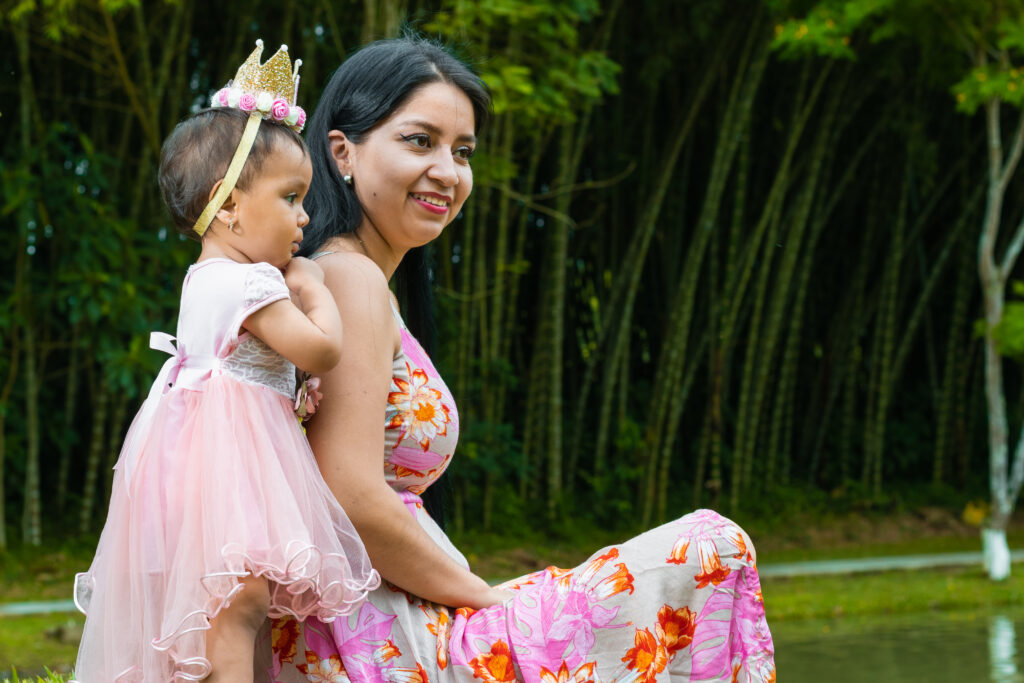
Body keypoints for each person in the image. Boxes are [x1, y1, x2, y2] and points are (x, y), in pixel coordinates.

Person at [262, 37, 775, 682]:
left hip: (382, 621)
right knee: (712, 548)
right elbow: (353, 497)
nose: (448, 172)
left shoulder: (343, 279)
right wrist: (486, 598)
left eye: (463, 151)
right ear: (343, 151)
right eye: (420, 141)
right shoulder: (348, 279)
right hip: (376, 640)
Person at [73, 41, 379, 683]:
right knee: (239, 604)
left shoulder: (205, 277)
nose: (305, 218)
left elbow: (257, 366)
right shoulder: (253, 285)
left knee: (228, 603)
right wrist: (316, 291)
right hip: (230, 468)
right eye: (292, 198)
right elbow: (322, 347)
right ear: (231, 205)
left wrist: (293, 387)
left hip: (190, 465)